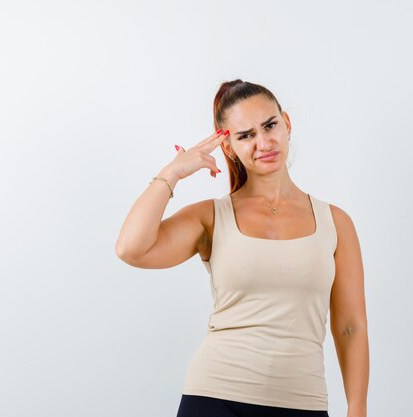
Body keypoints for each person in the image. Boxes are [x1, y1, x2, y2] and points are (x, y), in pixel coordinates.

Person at [115, 80, 369, 417]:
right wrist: (172, 172)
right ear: (229, 147)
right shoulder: (212, 217)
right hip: (215, 397)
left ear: (287, 124)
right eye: (246, 135)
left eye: (270, 125)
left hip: (302, 402)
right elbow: (131, 249)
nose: (263, 142)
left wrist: (357, 408)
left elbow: (350, 325)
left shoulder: (335, 222)